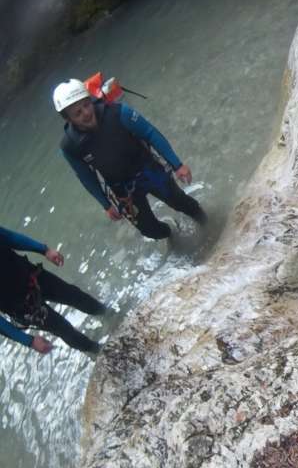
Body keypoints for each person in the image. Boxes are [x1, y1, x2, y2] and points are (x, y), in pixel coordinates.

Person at [53, 78, 206, 240]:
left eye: (86, 105)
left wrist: (177, 165)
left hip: (148, 170)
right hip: (122, 190)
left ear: (91, 100)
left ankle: (208, 223)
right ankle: (171, 233)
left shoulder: (118, 113)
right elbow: (86, 177)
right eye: (78, 113)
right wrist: (106, 205)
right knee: (149, 231)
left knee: (181, 202)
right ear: (68, 119)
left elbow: (150, 133)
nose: (86, 113)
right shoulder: (70, 146)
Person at [0, 224, 106, 354]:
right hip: (21, 306)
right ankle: (98, 351)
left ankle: (108, 314)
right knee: (62, 328)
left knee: (74, 294)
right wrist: (29, 341)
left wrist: (44, 250)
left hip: (31, 276)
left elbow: (9, 237)